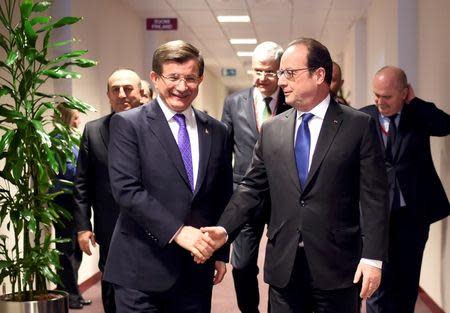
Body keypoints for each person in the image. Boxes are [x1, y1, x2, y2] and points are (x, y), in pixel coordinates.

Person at [201, 38, 389, 313]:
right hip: (284, 264)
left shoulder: (358, 126)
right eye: (280, 73)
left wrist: (373, 257)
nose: (281, 81)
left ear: (319, 75)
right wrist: (224, 228)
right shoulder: (273, 129)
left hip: (336, 265)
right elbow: (251, 188)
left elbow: (374, 197)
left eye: (289, 73)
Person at [103, 40, 233, 313]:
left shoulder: (217, 130)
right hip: (140, 271)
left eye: (190, 78)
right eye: (173, 77)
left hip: (196, 269)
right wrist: (178, 231)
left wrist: (220, 254)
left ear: (199, 79)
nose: (182, 87)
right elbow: (127, 190)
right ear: (154, 78)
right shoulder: (128, 124)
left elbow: (221, 195)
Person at [361, 66, 450, 313]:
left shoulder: (418, 116)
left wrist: (415, 102)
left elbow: (445, 125)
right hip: (377, 217)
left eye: (387, 96)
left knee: (407, 282)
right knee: (378, 284)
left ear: (404, 93)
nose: (380, 102)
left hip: (413, 215)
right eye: (376, 95)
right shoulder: (363, 118)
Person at [221, 41, 290, 313]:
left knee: (282, 262)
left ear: (281, 71)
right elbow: (224, 154)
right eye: (257, 71)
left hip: (284, 196)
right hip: (245, 194)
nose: (262, 78)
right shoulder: (234, 103)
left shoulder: (291, 101)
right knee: (242, 263)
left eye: (270, 72)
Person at [74, 69, 143, 313]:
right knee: (112, 288)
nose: (122, 94)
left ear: (141, 93)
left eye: (128, 88)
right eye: (116, 89)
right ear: (108, 95)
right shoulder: (94, 131)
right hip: (110, 225)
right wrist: (83, 226)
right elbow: (82, 182)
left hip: (152, 227)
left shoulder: (158, 130)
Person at [53, 104, 92, 310]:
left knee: (75, 251)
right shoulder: (58, 141)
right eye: (75, 118)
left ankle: (72, 294)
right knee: (67, 251)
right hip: (63, 201)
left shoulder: (71, 140)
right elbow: (67, 170)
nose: (78, 122)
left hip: (73, 200)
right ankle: (71, 297)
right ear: (66, 118)